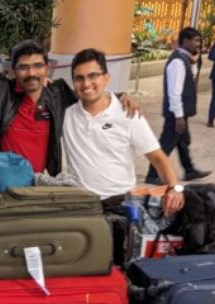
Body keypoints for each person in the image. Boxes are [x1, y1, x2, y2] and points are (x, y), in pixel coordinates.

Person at [63, 48, 184, 264]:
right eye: (79, 78)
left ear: (106, 78)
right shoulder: (67, 113)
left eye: (93, 76)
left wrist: (175, 188)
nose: (86, 83)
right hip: (81, 208)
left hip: (120, 205)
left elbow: (157, 157)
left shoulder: (128, 114)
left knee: (119, 267)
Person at [0, 40, 140, 175]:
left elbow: (87, 99)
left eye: (38, 65)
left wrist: (118, 96)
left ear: (48, 68)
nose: (31, 73)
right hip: (0, 181)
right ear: (13, 71)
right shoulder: (0, 91)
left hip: (38, 183)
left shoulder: (57, 95)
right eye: (23, 67)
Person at [145, 27, 211, 185]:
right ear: (185, 41)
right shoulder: (177, 62)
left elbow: (192, 77)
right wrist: (179, 116)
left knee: (182, 142)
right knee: (166, 143)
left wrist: (194, 62)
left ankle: (189, 170)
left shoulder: (185, 59)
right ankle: (153, 174)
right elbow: (174, 92)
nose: (198, 44)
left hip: (180, 112)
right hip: (176, 113)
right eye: (195, 40)